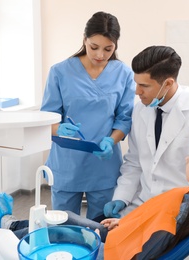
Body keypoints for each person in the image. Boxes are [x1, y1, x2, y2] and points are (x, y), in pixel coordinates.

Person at [0, 130, 189, 259]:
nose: (186, 157)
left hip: (115, 250)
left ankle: (5, 228)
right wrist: (123, 223)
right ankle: (11, 224)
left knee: (55, 227)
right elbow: (154, 220)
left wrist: (98, 241)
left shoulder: (187, 212)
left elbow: (148, 250)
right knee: (66, 215)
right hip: (121, 234)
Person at [103, 45, 189, 218]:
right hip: (143, 203)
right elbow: (135, 161)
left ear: (168, 83)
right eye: (136, 83)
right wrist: (121, 197)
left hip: (181, 210)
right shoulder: (140, 110)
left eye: (144, 86)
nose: (137, 92)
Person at [40, 11, 135, 220]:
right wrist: (58, 128)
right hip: (67, 163)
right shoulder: (60, 72)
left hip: (103, 164)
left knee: (101, 226)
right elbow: (47, 117)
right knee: (63, 224)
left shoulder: (124, 74)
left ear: (116, 46)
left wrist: (112, 140)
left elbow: (124, 118)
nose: (100, 55)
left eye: (108, 49)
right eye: (94, 47)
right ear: (84, 40)